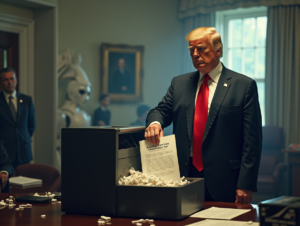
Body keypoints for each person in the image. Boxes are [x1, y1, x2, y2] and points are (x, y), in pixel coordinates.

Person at [145, 27, 262, 203]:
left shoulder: (243, 86)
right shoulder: (180, 83)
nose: (195, 54)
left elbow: (252, 141)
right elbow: (160, 111)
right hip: (184, 176)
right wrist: (155, 123)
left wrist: (246, 184)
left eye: (201, 48)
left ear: (218, 51)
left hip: (226, 180)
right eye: (192, 50)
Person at [0, 67, 36, 169]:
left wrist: (23, 138)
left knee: (26, 182)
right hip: (4, 153)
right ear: (1, 82)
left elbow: (31, 125)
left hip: (24, 151)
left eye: (12, 79)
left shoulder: (26, 100)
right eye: (6, 79)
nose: (9, 82)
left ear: (16, 80)